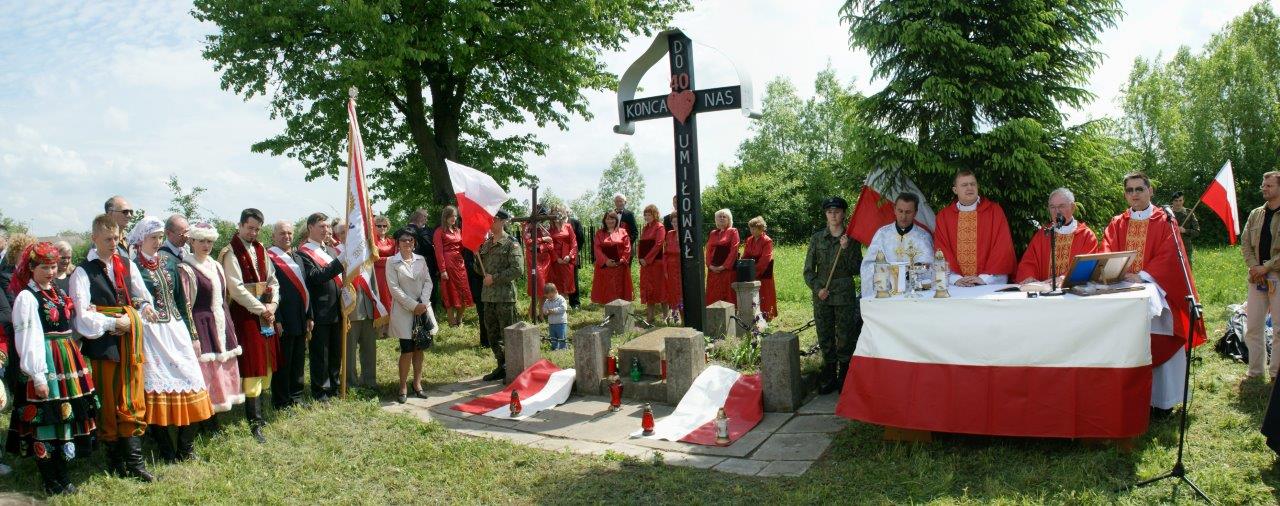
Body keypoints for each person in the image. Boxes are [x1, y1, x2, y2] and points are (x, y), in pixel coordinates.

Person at [1102, 171, 1206, 410]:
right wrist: (1117, 272)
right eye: (1130, 190)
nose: (1134, 194)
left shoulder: (1165, 220)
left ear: (1150, 191)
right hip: (1122, 291)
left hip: (1156, 288)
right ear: (1125, 195)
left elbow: (1170, 255)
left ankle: (1163, 401)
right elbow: (1107, 250)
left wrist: (1143, 275)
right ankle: (1130, 398)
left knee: (1160, 336)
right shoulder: (1118, 223)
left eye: (1139, 189)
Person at [5, 242, 98, 494]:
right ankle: (50, 479)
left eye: (53, 267)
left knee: (64, 418)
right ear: (31, 267)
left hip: (66, 359)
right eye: (44, 267)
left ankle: (62, 474)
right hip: (46, 362)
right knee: (46, 419)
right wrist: (38, 376)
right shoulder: (27, 297)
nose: (50, 272)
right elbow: (27, 338)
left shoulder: (55, 290)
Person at [70, 214, 157, 481]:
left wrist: (141, 311)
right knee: (108, 400)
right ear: (94, 238)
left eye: (116, 239)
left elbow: (143, 297)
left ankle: (135, 463)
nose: (113, 244)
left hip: (129, 339)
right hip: (103, 343)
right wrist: (113, 323)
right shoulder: (83, 272)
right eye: (107, 239)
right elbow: (82, 316)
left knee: (131, 397)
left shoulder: (126, 264)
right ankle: (115, 460)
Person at [127, 217, 213, 462]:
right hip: (152, 335)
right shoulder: (132, 267)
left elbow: (182, 302)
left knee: (193, 381)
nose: (157, 242)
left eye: (159, 237)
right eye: (152, 238)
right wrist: (141, 305)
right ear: (141, 239)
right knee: (156, 391)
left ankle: (186, 448)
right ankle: (166, 451)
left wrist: (193, 335)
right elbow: (128, 298)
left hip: (176, 331)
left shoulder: (169, 262)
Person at [218, 208, 279, 443]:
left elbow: (273, 280)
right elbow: (236, 288)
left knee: (266, 362)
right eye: (250, 228)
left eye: (257, 229)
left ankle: (262, 414)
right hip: (245, 315)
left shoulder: (261, 249)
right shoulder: (230, 251)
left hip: (265, 314)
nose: (253, 233)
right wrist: (262, 309)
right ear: (240, 225)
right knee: (253, 364)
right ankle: (254, 422)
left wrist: (273, 304)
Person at [180, 222, 244, 426]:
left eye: (209, 241)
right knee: (205, 370)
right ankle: (204, 418)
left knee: (221, 366)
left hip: (221, 321)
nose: (206, 245)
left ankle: (217, 411)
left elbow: (223, 297)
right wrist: (192, 333)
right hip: (201, 324)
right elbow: (186, 304)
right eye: (201, 241)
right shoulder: (186, 268)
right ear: (192, 241)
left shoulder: (216, 265)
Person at [804, 197, 862, 395]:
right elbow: (808, 271)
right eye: (830, 212)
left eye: (837, 211)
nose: (833, 215)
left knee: (845, 335)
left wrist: (846, 250)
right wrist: (817, 288)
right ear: (825, 214)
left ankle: (844, 376)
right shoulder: (817, 238)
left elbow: (856, 269)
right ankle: (829, 374)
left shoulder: (851, 239)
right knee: (825, 334)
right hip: (823, 294)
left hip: (844, 294)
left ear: (843, 214)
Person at [932, 171, 1016, 286]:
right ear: (955, 190)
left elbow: (1002, 246)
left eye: (973, 184)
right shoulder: (944, 216)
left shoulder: (994, 211)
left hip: (989, 280)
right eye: (964, 185)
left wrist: (984, 278)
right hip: (957, 282)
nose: (969, 188)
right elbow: (941, 248)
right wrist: (955, 278)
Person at [296, 213, 345, 401]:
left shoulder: (331, 250)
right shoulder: (303, 253)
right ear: (310, 227)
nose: (326, 230)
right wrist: (340, 261)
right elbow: (316, 276)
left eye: (327, 226)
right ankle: (321, 391)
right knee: (320, 353)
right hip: (319, 309)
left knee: (335, 352)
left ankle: (334, 386)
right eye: (321, 226)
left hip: (337, 308)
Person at [386, 229, 438, 403]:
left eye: (410, 240)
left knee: (419, 348)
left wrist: (422, 303)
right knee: (407, 349)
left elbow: (428, 282)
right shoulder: (391, 262)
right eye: (403, 240)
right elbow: (394, 288)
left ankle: (417, 384)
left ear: (414, 242)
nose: (407, 243)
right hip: (404, 312)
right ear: (398, 243)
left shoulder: (421, 260)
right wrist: (413, 305)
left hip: (422, 309)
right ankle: (402, 386)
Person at [1241, 172, 1280, 381]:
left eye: (1269, 185)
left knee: (1279, 329)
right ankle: (1255, 372)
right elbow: (1245, 243)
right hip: (1256, 276)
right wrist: (1254, 267)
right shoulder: (1256, 213)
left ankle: (1276, 375)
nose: (1264, 188)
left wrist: (1267, 267)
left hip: (1277, 275)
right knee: (1253, 326)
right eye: (1263, 185)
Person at [1015, 188, 1099, 284]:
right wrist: (1029, 277)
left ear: (1072, 207)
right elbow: (1029, 262)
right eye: (1052, 207)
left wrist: (1064, 278)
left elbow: (1086, 267)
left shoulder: (1086, 236)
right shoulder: (1043, 234)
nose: (1057, 211)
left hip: (1073, 290)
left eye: (1061, 206)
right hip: (1044, 290)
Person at [266, 221, 308, 410]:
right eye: (282, 233)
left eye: (290, 233)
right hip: (283, 318)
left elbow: (306, 288)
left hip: (300, 316)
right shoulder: (269, 258)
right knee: (284, 361)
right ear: (273, 236)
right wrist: (278, 319)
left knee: (298, 359)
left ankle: (296, 396)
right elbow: (269, 291)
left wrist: (309, 315)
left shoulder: (297, 257)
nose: (287, 236)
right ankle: (281, 401)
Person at [859, 193, 934, 298]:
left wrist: (910, 273)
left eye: (908, 212)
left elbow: (930, 268)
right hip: (886, 293)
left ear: (915, 213)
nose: (903, 216)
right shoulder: (882, 234)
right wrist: (889, 273)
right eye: (900, 211)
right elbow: (867, 265)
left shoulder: (923, 237)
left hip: (913, 295)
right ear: (894, 210)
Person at [478, 210, 523, 382]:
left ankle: (513, 368)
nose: (490, 222)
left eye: (494, 219)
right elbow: (480, 269)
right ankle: (502, 366)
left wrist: (494, 278)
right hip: (488, 297)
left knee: (508, 335)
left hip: (505, 297)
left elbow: (517, 269)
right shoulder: (486, 244)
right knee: (493, 335)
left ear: (503, 221)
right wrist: (476, 257)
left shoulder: (511, 243)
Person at [434, 205, 473, 326]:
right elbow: (438, 252)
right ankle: (451, 321)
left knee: (463, 290)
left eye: (455, 216)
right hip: (447, 264)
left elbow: (462, 247)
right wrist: (442, 270)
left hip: (459, 263)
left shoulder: (458, 230)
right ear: (445, 217)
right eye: (451, 216)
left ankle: (459, 319)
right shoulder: (439, 231)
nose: (453, 218)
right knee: (449, 292)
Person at [405, 208, 442, 312]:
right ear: (417, 217)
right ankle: (418, 314)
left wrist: (437, 267)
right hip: (414, 265)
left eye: (426, 216)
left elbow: (434, 248)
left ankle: (431, 314)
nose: (426, 218)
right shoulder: (408, 230)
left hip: (430, 264)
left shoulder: (429, 231)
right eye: (424, 216)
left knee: (431, 289)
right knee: (417, 290)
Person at [591, 210, 633, 304]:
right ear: (604, 220)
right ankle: (609, 311)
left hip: (620, 267)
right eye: (608, 219)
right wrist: (606, 261)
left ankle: (620, 311)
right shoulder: (599, 233)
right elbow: (597, 248)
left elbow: (627, 248)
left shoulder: (623, 232)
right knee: (607, 291)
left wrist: (621, 260)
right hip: (605, 268)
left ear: (616, 220)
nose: (610, 221)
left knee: (620, 291)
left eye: (612, 218)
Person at [742, 216, 777, 321]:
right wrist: (743, 266)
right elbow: (745, 255)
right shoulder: (749, 240)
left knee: (765, 292)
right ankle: (753, 313)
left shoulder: (767, 240)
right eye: (750, 228)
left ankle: (767, 315)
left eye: (754, 228)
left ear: (761, 228)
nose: (752, 231)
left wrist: (754, 272)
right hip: (751, 269)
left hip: (764, 270)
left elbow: (765, 258)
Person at [638, 204, 666, 322]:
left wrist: (647, 259)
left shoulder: (660, 227)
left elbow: (659, 244)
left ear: (655, 215)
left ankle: (666, 316)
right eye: (645, 215)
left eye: (649, 214)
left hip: (656, 263)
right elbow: (641, 245)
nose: (647, 217)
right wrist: (641, 259)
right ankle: (650, 316)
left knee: (661, 289)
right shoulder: (645, 228)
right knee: (648, 290)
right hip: (645, 265)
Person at [705, 209, 739, 306]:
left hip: (727, 271)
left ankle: (730, 315)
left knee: (728, 296)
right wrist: (710, 266)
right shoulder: (713, 233)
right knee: (713, 295)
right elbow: (708, 251)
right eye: (720, 217)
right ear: (716, 219)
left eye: (724, 217)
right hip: (713, 271)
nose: (722, 218)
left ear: (729, 219)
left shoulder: (733, 231)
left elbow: (734, 250)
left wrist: (724, 266)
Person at [523, 209, 556, 310]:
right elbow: (528, 242)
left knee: (545, 287)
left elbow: (551, 244)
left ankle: (541, 313)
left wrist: (540, 247)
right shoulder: (527, 226)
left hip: (545, 260)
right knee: (539, 286)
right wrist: (543, 239)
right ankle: (531, 312)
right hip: (534, 259)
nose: (542, 219)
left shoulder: (544, 227)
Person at [547, 206, 578, 308]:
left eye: (558, 211)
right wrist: (557, 258)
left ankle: (563, 306)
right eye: (554, 212)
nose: (556, 214)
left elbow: (574, 242)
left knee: (567, 283)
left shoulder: (568, 226)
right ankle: (557, 306)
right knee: (557, 283)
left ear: (562, 213)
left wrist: (570, 255)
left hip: (567, 259)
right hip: (556, 260)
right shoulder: (550, 229)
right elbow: (549, 246)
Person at [372, 215, 397, 335]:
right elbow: (374, 259)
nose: (382, 228)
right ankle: (380, 329)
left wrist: (392, 261)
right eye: (379, 225)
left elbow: (397, 257)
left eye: (384, 226)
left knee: (391, 298)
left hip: (391, 272)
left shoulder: (392, 241)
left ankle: (390, 328)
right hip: (378, 273)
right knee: (382, 298)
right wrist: (390, 260)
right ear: (374, 227)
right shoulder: (372, 241)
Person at [662, 201, 682, 323]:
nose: (675, 224)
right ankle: (675, 314)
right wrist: (665, 269)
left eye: (677, 222)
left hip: (681, 265)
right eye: (673, 222)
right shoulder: (669, 234)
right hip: (671, 266)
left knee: (682, 290)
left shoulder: (686, 234)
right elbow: (665, 253)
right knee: (673, 290)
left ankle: (684, 313)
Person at [1170, 191, 1201, 265]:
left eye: (1180, 200)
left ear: (1183, 201)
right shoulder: (1166, 213)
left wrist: (1185, 231)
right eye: (1176, 200)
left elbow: (1197, 232)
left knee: (1186, 268)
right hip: (1170, 247)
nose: (1178, 203)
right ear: (1172, 201)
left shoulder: (1189, 213)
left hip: (1185, 247)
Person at [567, 211, 587, 309]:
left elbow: (581, 239)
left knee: (573, 279)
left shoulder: (575, 222)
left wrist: (574, 252)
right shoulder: (553, 223)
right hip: (558, 257)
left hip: (572, 256)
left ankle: (575, 303)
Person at [542, 283, 568, 350]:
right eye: (548, 297)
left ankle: (563, 348)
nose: (550, 298)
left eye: (551, 296)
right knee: (553, 337)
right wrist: (545, 311)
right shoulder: (547, 301)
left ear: (556, 292)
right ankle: (554, 347)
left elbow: (563, 308)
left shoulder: (561, 299)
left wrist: (554, 310)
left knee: (562, 336)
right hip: (551, 323)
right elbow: (544, 308)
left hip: (561, 323)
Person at [613, 193, 638, 258]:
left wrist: (627, 243)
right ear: (614, 202)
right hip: (613, 248)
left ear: (625, 202)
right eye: (617, 201)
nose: (619, 203)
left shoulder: (629, 214)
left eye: (621, 201)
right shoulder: (611, 214)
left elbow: (635, 232)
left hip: (626, 249)